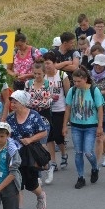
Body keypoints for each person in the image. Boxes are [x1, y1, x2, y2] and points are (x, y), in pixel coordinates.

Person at [6, 90, 48, 209]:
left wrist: (30, 139)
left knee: (31, 184)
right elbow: (7, 135)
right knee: (17, 182)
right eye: (11, 101)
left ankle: (40, 195)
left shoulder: (34, 115)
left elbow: (43, 132)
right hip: (15, 154)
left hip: (30, 153)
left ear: (23, 103)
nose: (12, 104)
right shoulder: (10, 118)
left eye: (15, 101)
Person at [63, 67, 104, 189]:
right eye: (74, 81)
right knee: (78, 152)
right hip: (76, 126)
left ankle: (95, 167)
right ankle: (80, 177)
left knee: (88, 152)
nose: (76, 84)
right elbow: (68, 108)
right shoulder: (72, 90)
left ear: (85, 79)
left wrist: (100, 126)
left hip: (90, 126)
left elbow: (100, 109)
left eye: (78, 81)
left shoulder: (94, 90)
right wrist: (64, 125)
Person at [42, 52, 70, 180]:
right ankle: (53, 161)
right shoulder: (43, 77)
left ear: (54, 63)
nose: (46, 66)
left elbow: (68, 93)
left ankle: (64, 153)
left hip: (60, 109)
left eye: (48, 63)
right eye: (44, 63)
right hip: (47, 109)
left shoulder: (62, 75)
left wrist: (69, 111)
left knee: (59, 136)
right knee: (49, 136)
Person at [25, 61, 53, 182]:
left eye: (39, 74)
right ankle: (38, 175)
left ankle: (48, 167)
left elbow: (48, 102)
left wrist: (33, 103)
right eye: (35, 73)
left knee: (42, 144)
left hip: (44, 118)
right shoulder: (28, 83)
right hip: (31, 118)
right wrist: (35, 104)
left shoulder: (48, 84)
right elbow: (25, 100)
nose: (37, 76)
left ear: (44, 73)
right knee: (33, 146)